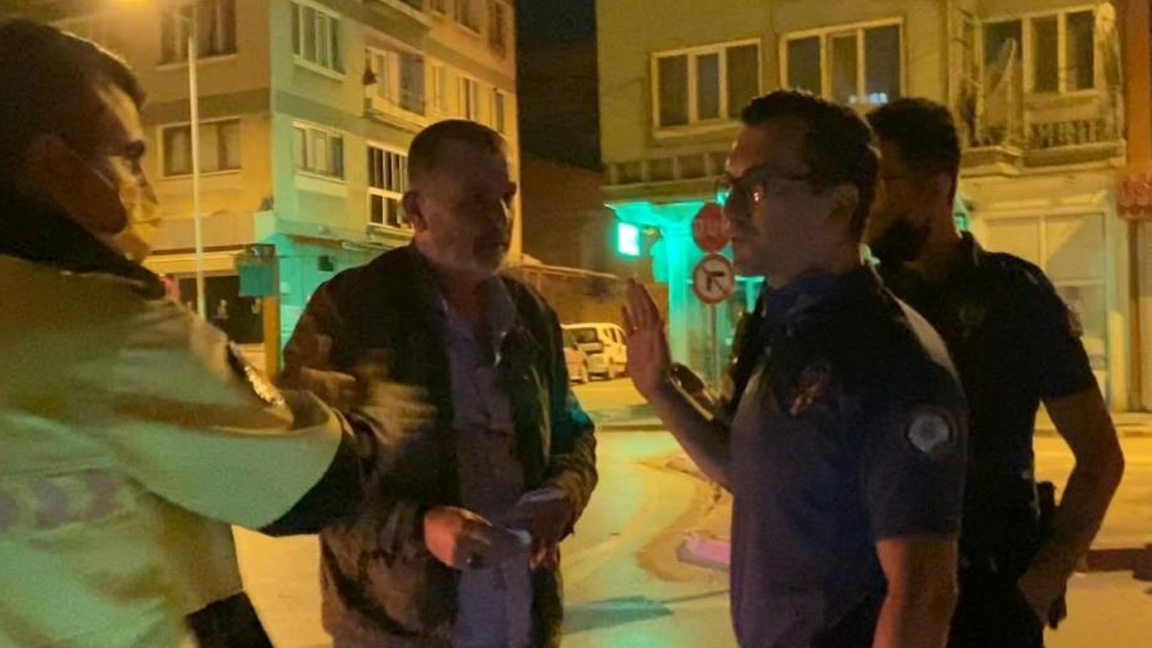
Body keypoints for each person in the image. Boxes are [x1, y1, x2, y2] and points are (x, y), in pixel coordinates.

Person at [0, 20, 428, 648]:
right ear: (54, 166)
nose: (145, 187)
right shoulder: (107, 327)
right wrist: (371, 423)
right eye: (130, 158)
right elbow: (309, 484)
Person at [624, 90, 968, 648]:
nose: (731, 210)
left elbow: (923, 592)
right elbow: (755, 476)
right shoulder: (781, 330)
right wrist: (661, 391)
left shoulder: (892, 359)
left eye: (758, 187)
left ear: (839, 204)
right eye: (729, 187)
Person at [280, 119, 598, 648]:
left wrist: (566, 491)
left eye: (506, 198)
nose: (500, 219)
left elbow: (573, 430)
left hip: (522, 624)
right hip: (395, 634)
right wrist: (419, 528)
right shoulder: (352, 312)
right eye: (475, 201)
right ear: (415, 210)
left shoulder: (531, 317)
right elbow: (302, 473)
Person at [865, 98, 1125, 647]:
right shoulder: (860, 304)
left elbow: (1100, 457)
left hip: (990, 595)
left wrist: (1038, 587)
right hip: (879, 599)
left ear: (937, 187)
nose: (866, 200)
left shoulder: (1014, 297)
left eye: (881, 180)